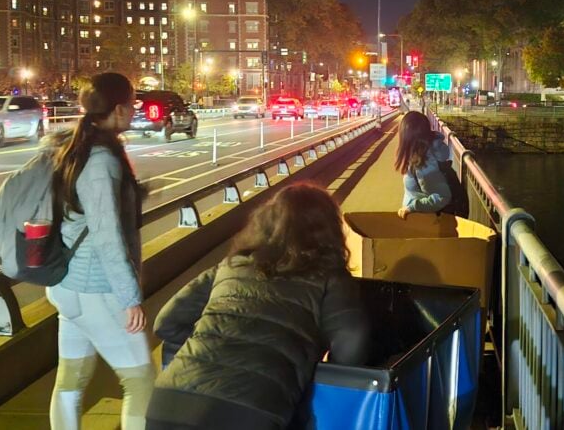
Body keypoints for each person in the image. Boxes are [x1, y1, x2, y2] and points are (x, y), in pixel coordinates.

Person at [146, 183, 370, 430]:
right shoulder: (330, 277)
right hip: (250, 411)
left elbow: (166, 322)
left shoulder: (232, 265)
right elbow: (352, 341)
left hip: (170, 402)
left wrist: (198, 358)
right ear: (328, 230)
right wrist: (318, 377)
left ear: (266, 222)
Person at [46, 72, 154, 430]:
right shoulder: (103, 160)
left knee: (71, 380)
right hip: (98, 289)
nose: (134, 110)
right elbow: (107, 235)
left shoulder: (74, 148)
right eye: (133, 102)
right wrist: (129, 297)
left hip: (68, 285)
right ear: (120, 109)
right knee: (140, 382)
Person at [395, 110, 451, 218]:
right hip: (419, 220)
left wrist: (412, 207)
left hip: (424, 222)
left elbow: (442, 197)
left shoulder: (424, 165)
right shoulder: (418, 157)